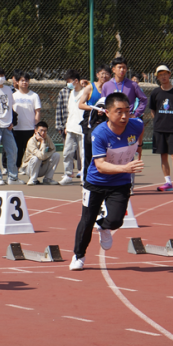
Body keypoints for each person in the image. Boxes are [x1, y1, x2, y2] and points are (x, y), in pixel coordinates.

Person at [69, 92, 144, 271]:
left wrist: (138, 148)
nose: (124, 116)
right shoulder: (100, 133)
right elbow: (101, 166)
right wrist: (126, 168)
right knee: (87, 220)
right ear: (107, 113)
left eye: (127, 111)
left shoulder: (137, 125)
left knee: (117, 221)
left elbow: (140, 132)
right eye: (119, 111)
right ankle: (79, 256)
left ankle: (103, 226)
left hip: (120, 183)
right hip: (96, 182)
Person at [147, 65, 173, 193]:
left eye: (165, 74)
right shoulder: (155, 92)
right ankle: (168, 183)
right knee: (163, 156)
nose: (163, 76)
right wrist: (158, 122)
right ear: (157, 77)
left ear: (169, 74)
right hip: (159, 129)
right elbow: (153, 110)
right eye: (160, 75)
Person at [11, 71, 42, 171]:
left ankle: (29, 170)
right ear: (17, 82)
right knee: (17, 151)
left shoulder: (34, 96)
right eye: (22, 80)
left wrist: (36, 127)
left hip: (30, 128)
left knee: (30, 151)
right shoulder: (13, 96)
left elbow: (37, 112)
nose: (24, 82)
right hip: (16, 128)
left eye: (26, 80)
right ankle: (16, 170)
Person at [58, 71, 84, 185]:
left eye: (69, 81)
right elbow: (70, 111)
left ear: (76, 81)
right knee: (67, 152)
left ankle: (84, 175)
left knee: (83, 154)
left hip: (82, 129)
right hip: (70, 128)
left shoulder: (85, 92)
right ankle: (68, 175)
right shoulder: (71, 93)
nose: (68, 84)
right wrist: (67, 125)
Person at [22, 121, 60, 185]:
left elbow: (53, 149)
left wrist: (46, 155)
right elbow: (41, 156)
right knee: (36, 158)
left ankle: (48, 179)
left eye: (45, 131)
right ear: (36, 131)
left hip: (42, 167)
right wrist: (42, 141)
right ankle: (33, 179)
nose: (43, 133)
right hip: (30, 169)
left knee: (56, 155)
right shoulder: (31, 141)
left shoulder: (47, 137)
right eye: (41, 130)